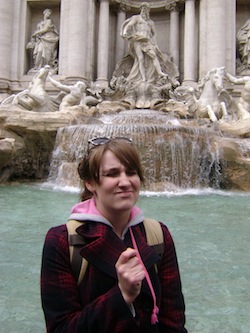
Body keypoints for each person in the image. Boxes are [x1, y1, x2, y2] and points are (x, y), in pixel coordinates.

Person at [41, 137, 188, 333]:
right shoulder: (62, 240)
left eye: (131, 172)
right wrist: (121, 295)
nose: (125, 182)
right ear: (91, 183)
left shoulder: (158, 235)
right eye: (112, 174)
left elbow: (173, 322)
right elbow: (61, 328)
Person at [121, 2, 167, 83]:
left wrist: (155, 44)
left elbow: (154, 33)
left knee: (153, 55)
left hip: (147, 40)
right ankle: (143, 78)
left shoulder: (150, 22)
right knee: (140, 59)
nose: (143, 11)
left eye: (145, 9)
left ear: (148, 11)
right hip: (137, 40)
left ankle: (159, 72)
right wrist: (125, 32)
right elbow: (129, 25)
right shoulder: (136, 18)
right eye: (142, 9)